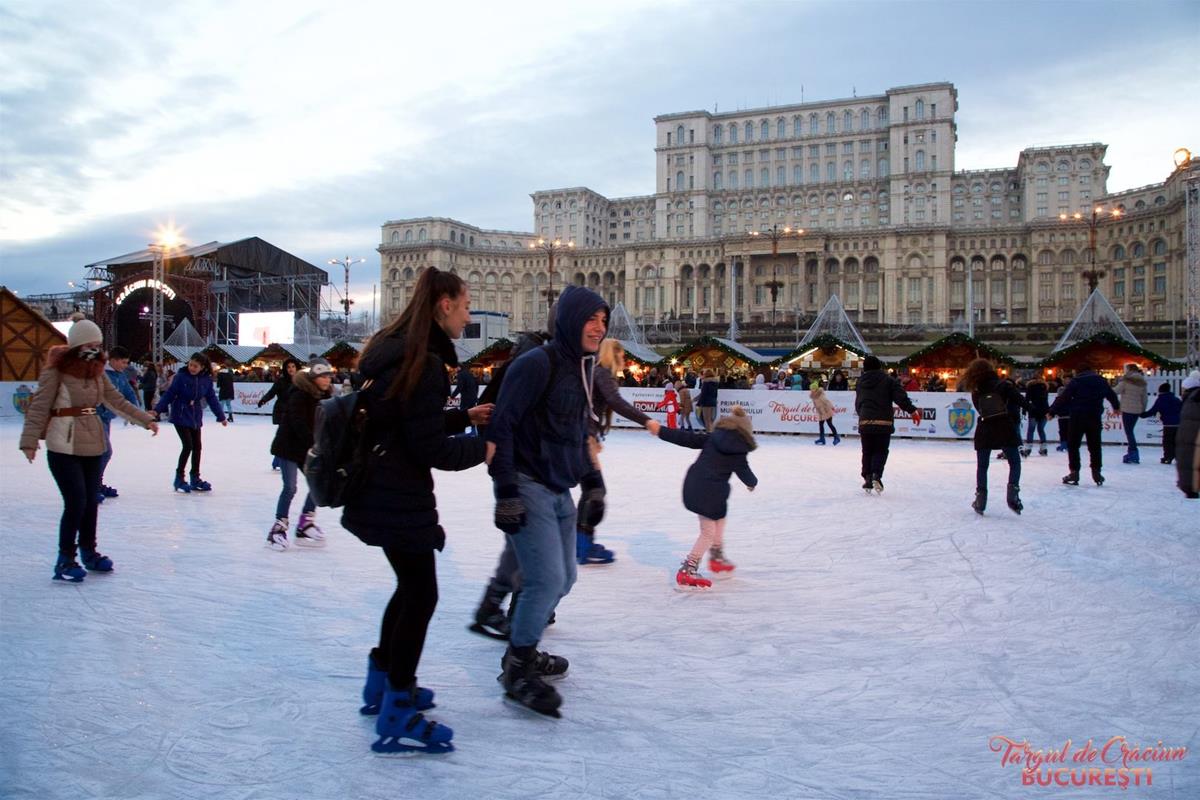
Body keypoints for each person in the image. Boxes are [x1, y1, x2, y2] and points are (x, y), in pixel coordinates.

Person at [342, 267, 491, 754]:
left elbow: (406, 420)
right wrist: (485, 448)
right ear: (444, 305)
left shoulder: (396, 347)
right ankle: (398, 707)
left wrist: (462, 416)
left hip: (377, 486)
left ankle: (382, 683)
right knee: (421, 595)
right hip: (398, 495)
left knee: (410, 589)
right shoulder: (424, 362)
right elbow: (430, 449)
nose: (467, 317)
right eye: (465, 307)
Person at [488, 284, 608, 718]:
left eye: (603, 320)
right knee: (544, 580)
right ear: (570, 321)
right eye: (591, 319)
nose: (599, 327)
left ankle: (522, 646)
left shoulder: (582, 369)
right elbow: (500, 426)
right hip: (526, 483)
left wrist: (593, 483)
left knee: (564, 580)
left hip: (559, 488)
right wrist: (506, 492)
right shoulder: (536, 364)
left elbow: (577, 433)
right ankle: (518, 669)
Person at [18, 318, 159, 581]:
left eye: (97, 344)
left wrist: (144, 419)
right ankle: (65, 558)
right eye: (89, 344)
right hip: (63, 444)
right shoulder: (56, 371)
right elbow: (39, 406)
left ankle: (89, 552)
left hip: (94, 443)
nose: (94, 349)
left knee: (90, 501)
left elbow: (116, 401)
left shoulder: (98, 371)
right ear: (77, 345)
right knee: (76, 502)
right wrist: (29, 441)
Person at [656, 405, 758, 590]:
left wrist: (661, 431)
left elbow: (687, 438)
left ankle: (717, 556)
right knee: (708, 533)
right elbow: (745, 472)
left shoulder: (713, 437)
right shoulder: (739, 450)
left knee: (720, 516)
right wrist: (752, 483)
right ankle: (688, 569)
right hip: (710, 493)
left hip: (694, 485)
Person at [266, 359, 335, 550]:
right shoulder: (299, 394)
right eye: (322, 376)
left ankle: (305, 523)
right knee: (290, 488)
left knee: (318, 484)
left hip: (307, 448)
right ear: (313, 377)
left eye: (329, 376)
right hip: (288, 448)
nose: (327, 380)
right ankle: (278, 528)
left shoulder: (326, 396)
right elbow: (299, 424)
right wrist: (317, 445)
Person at [958, 358, 1032, 515]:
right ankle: (1013, 494)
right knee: (1014, 462)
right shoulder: (1003, 385)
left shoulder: (976, 390)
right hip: (1004, 426)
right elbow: (1021, 401)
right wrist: (1043, 412)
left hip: (985, 428)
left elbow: (980, 409)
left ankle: (981, 499)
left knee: (982, 466)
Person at [154, 352, 227, 493]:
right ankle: (179, 478)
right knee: (188, 445)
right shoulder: (181, 377)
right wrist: (157, 410)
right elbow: (170, 394)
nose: (192, 368)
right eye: (190, 364)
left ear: (202, 367)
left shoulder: (206, 380)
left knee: (197, 447)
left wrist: (221, 416)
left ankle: (195, 478)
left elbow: (212, 398)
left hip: (195, 416)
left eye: (195, 366)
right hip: (180, 414)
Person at [1047, 358, 1119, 486]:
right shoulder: (1101, 380)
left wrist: (1052, 412)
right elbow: (1111, 395)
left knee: (1073, 445)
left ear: (1078, 371)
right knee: (1095, 446)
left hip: (1077, 417)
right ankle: (1096, 472)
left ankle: (1074, 472)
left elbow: (1064, 397)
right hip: (1094, 416)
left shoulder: (1076, 381)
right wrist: (1116, 407)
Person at [854, 355, 920, 493]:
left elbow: (858, 402)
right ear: (879, 366)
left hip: (865, 421)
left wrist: (862, 415)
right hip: (883, 422)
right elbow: (900, 397)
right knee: (880, 450)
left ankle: (867, 477)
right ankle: (876, 475)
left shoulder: (860, 382)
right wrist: (912, 410)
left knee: (867, 451)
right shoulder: (888, 380)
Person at [96, 345, 141, 501]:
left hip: (107, 418)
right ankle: (93, 485)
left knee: (102, 452)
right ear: (113, 360)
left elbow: (129, 393)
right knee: (104, 452)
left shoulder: (120, 375)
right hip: (96, 417)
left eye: (127, 362)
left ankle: (96, 483)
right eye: (123, 362)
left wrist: (136, 413)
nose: (125, 366)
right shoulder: (102, 373)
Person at [258, 358, 301, 470]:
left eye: (293, 366)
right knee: (285, 436)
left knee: (290, 437)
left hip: (296, 412)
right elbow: (272, 392)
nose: (291, 369)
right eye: (288, 367)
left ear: (297, 368)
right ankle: (278, 461)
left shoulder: (301, 381)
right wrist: (263, 400)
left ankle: (279, 461)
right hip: (282, 411)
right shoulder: (281, 381)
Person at [1139, 382, 1182, 465]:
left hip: (1168, 424)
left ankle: (1168, 457)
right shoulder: (1176, 399)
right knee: (1176, 441)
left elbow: (1153, 411)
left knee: (1167, 441)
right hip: (1179, 424)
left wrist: (1142, 415)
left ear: (1160, 391)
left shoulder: (1161, 399)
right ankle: (1178, 457)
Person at [1114, 363, 1148, 464]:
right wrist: (1142, 409)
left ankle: (1133, 452)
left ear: (1128, 370)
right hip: (1137, 410)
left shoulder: (1126, 381)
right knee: (1130, 431)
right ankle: (1131, 452)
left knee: (1129, 432)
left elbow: (1116, 391)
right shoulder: (1142, 382)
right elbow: (1145, 398)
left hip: (1127, 409)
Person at [1175, 371, 1199, 498]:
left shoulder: (1191, 400)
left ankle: (1189, 486)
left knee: (1188, 458)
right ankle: (1190, 486)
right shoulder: (1193, 399)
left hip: (1188, 437)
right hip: (1192, 437)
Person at [1022, 375, 1051, 457]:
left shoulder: (1030, 387)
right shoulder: (1045, 387)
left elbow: (1027, 400)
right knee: (1041, 429)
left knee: (1031, 430)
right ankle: (1043, 449)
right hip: (1044, 411)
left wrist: (1024, 410)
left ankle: (1028, 449)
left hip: (1033, 411)